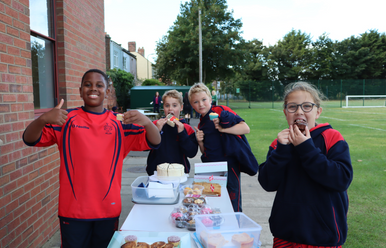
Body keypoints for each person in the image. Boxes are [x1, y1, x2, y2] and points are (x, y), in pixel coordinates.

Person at [22, 69, 161, 248]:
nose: (93, 89)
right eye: (87, 85)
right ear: (80, 91)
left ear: (107, 92)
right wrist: (43, 119)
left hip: (107, 209)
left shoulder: (120, 123)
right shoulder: (65, 119)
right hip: (73, 211)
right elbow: (29, 138)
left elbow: (155, 141)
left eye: (99, 85)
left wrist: (148, 123)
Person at [258, 82, 353, 248]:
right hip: (285, 234)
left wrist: (306, 147)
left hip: (322, 237)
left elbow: (341, 179)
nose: (300, 111)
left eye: (307, 106)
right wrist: (281, 150)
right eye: (292, 107)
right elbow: (267, 182)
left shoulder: (331, 137)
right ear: (285, 112)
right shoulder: (279, 143)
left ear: (318, 112)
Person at [189, 83, 257, 212]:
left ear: (210, 99)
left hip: (229, 166)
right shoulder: (201, 123)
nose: (201, 104)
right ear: (192, 105)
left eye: (204, 100)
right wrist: (200, 141)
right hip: (211, 167)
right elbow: (205, 151)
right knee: (213, 202)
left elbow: (245, 128)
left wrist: (223, 129)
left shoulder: (220, 111)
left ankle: (235, 228)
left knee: (233, 202)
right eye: (196, 102)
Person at [146, 90, 198, 176]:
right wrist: (156, 131)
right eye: (167, 105)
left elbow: (191, 153)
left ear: (181, 107)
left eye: (174, 105)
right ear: (164, 107)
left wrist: (182, 133)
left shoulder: (187, 128)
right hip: (156, 173)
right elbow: (145, 148)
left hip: (179, 173)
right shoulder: (155, 125)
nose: (170, 109)